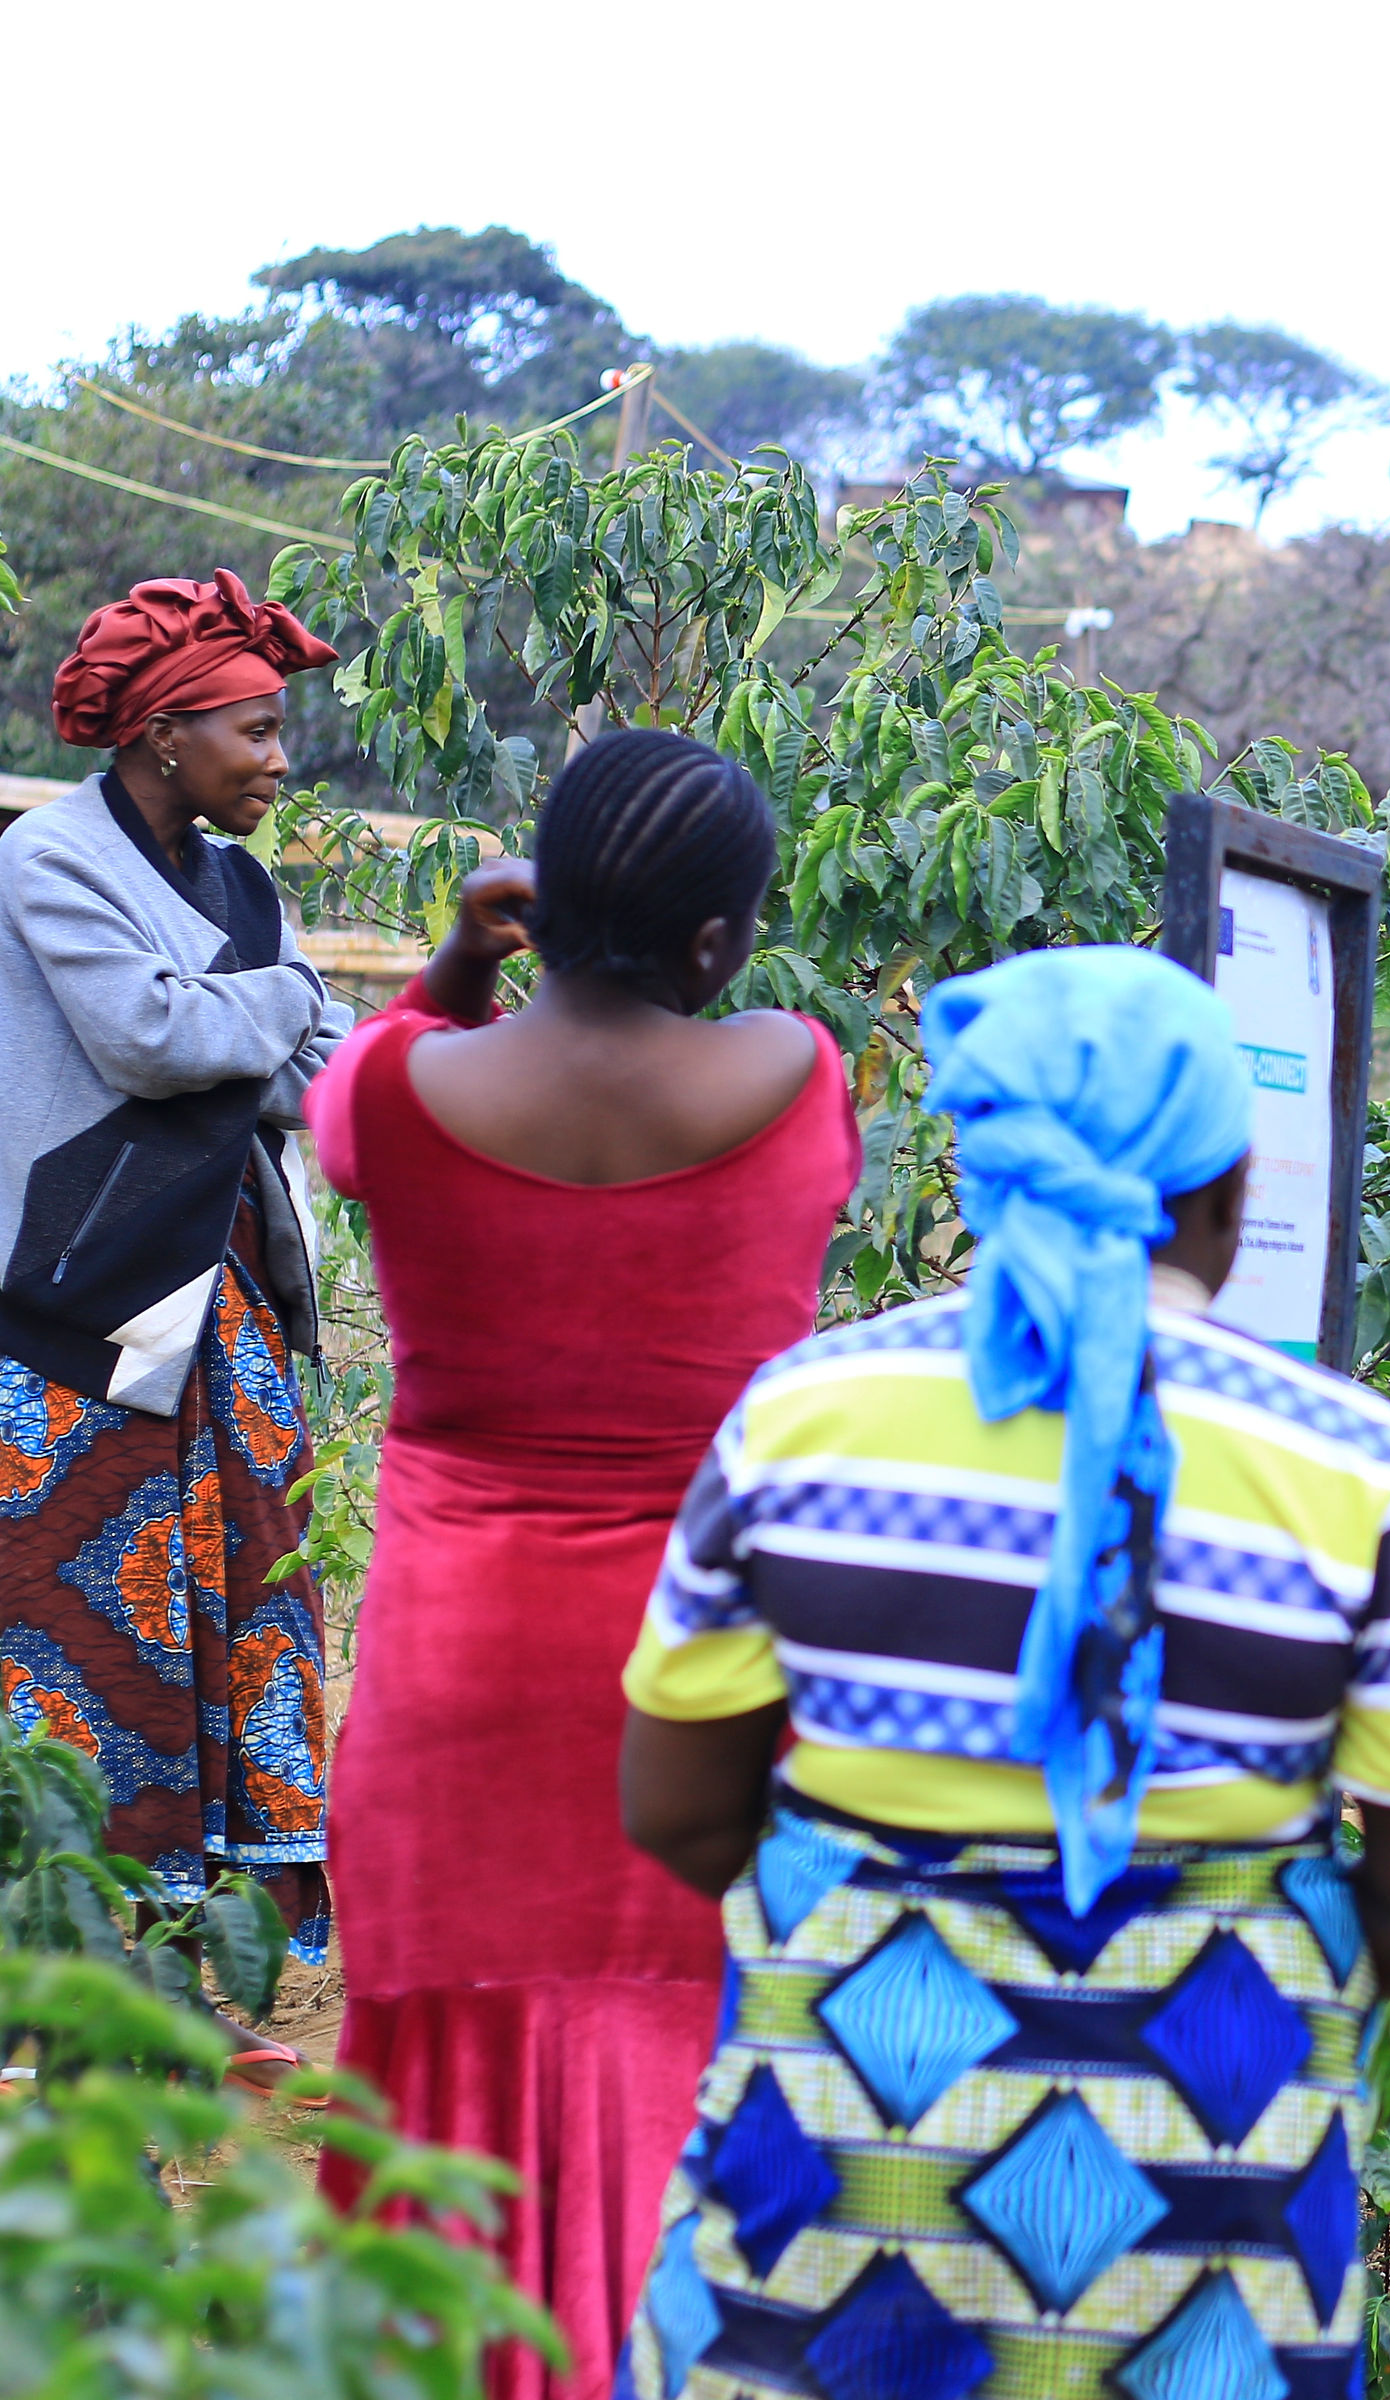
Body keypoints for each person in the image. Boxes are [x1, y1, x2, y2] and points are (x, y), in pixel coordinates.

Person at [614, 945, 1390, 2400]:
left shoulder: (801, 1419)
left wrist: (897, 1914)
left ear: (977, 1183)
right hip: (1216, 2183)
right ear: (1235, 1192)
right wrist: (1222, 1974)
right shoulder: (1352, 1467)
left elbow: (677, 1806)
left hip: (836, 2152)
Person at [306, 730, 855, 2400]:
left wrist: (460, 966)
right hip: (707, 1661)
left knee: (441, 2036)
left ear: (539, 905)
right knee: (688, 2029)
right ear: (712, 944)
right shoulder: (795, 1077)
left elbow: (340, 1113)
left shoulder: (407, 1094)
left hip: (451, 1660)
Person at [0, 571, 349, 2065]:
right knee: (78, 1659)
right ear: (160, 733)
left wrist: (265, 1019)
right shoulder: (47, 861)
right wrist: (275, 1009)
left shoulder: (241, 886)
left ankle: (177, 1984)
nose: (281, 760)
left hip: (220, 1314)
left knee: (227, 1639)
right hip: (77, 1322)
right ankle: (63, 1994)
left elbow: (305, 1063)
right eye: (258, 732)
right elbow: (150, 1041)